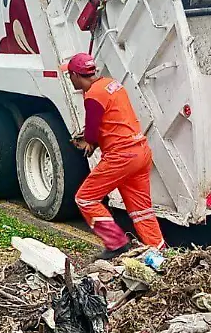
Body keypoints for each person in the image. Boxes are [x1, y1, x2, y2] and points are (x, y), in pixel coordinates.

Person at [63, 52, 166, 259]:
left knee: (85, 199)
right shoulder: (112, 84)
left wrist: (88, 142)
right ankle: (160, 254)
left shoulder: (93, 95)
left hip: (121, 156)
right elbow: (112, 121)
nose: (69, 79)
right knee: (141, 210)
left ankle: (116, 243)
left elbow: (92, 132)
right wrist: (94, 141)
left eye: (69, 75)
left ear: (75, 75)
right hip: (140, 151)